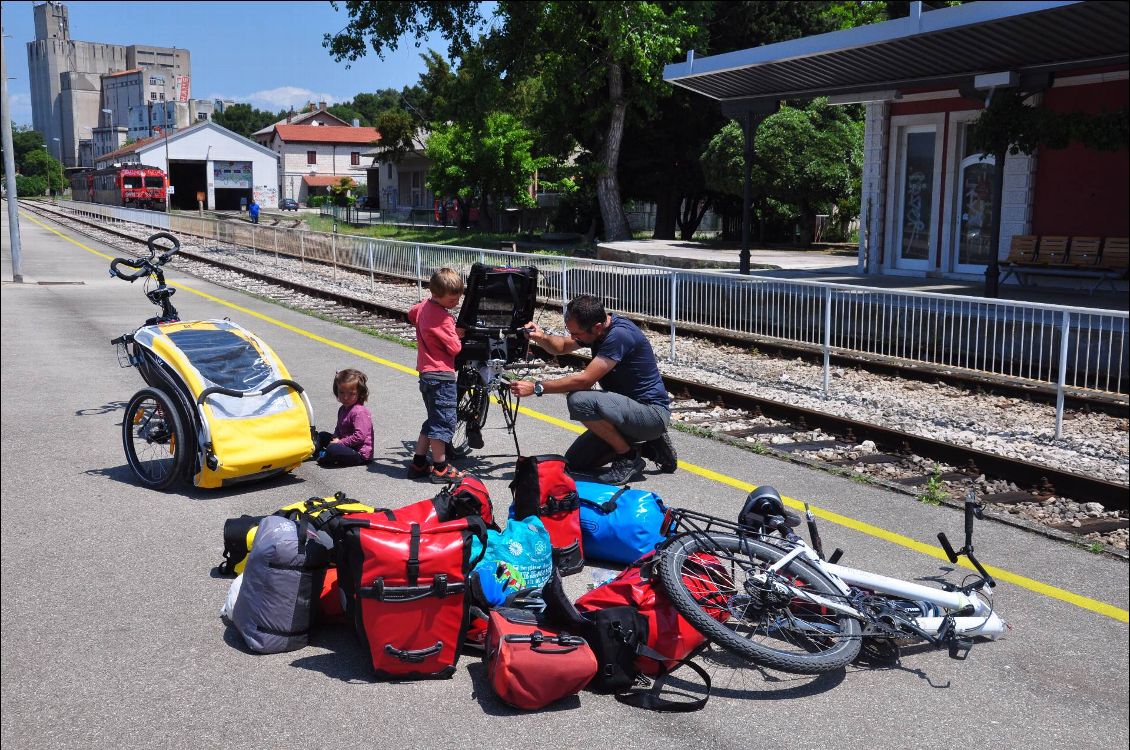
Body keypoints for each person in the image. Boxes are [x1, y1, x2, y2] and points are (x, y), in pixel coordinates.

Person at [510, 294, 677, 485]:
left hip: (650, 413)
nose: (573, 338)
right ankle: (650, 445)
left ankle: (629, 457)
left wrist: (537, 387)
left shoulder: (619, 336)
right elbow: (562, 346)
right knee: (576, 462)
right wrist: (541, 337)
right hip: (624, 413)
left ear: (596, 327)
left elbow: (585, 381)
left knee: (579, 400)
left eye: (577, 335)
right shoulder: (597, 329)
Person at [406, 267, 466, 483]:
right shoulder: (445, 319)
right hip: (442, 374)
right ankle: (440, 467)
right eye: (452, 300)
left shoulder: (423, 307)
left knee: (433, 419)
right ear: (438, 295)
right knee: (444, 422)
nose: (455, 303)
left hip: (426, 373)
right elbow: (455, 348)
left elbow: (411, 314)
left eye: (458, 298)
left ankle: (419, 462)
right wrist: (457, 334)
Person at [314, 368, 374, 467]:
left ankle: (324, 456)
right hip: (346, 445)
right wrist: (336, 436)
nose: (345, 397)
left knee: (332, 449)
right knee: (322, 435)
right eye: (342, 392)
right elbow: (339, 427)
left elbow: (359, 437)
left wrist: (339, 442)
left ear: (359, 393)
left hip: (359, 454)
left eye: (351, 394)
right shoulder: (343, 408)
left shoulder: (360, 412)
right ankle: (320, 452)